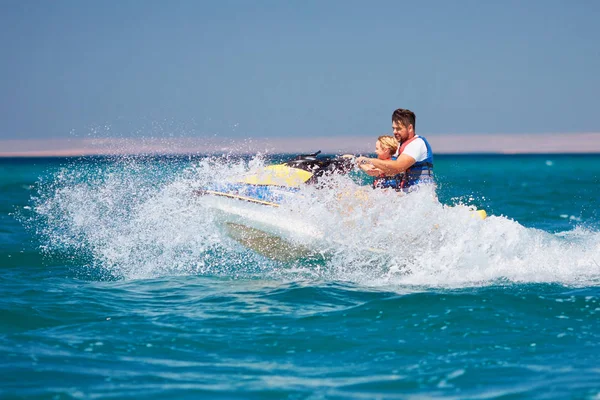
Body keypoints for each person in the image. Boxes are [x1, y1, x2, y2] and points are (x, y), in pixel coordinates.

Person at [357, 108, 434, 191]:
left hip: (419, 197)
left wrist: (369, 160)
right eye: (393, 128)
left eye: (398, 129)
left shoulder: (417, 144)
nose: (394, 132)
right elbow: (385, 164)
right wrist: (361, 164)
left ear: (410, 128)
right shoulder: (399, 146)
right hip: (405, 196)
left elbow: (397, 168)